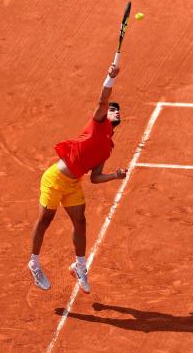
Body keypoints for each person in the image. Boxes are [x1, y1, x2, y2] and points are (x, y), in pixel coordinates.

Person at [27, 63, 126, 294]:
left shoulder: (107, 147)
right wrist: (109, 78)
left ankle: (79, 266)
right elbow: (103, 99)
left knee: (80, 222)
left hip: (73, 183)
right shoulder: (97, 124)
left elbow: (95, 177)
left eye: (117, 110)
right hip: (55, 179)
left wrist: (115, 176)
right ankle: (34, 262)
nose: (115, 110)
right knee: (45, 220)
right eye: (113, 109)